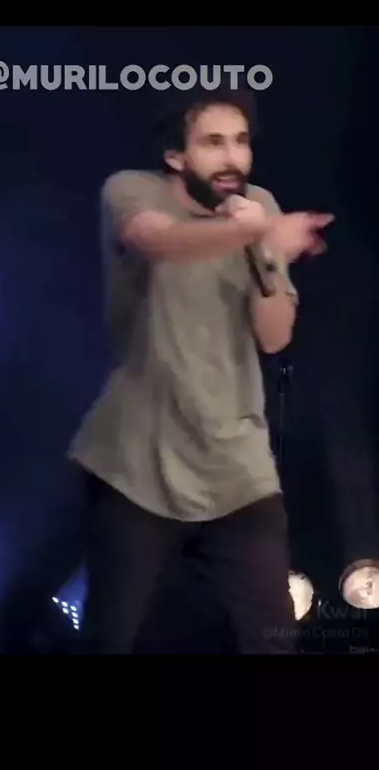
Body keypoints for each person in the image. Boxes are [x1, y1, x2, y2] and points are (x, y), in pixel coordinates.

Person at [68, 87, 333, 654]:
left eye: (240, 141)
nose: (232, 158)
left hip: (237, 467)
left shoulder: (258, 205)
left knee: (273, 640)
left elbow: (275, 335)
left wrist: (267, 252)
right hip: (138, 464)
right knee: (110, 639)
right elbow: (157, 242)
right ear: (175, 156)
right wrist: (257, 232)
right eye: (213, 143)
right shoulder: (131, 190)